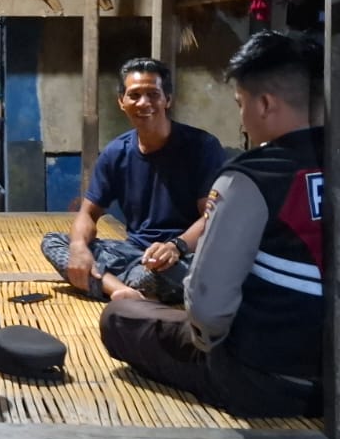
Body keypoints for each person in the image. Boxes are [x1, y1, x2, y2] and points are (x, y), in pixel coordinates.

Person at [100, 32, 340, 418]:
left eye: (240, 104)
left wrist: (212, 342)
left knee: (120, 318)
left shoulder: (250, 179)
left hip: (270, 382)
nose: (242, 119)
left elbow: (208, 309)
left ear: (265, 104)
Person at [41, 57, 226, 302]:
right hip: (133, 251)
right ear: (121, 102)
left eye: (153, 94)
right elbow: (87, 213)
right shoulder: (116, 153)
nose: (144, 103)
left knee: (170, 273)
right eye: (134, 95)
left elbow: (212, 217)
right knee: (55, 242)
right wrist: (78, 249)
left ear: (167, 99)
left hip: (183, 255)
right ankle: (121, 291)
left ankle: (113, 285)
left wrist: (175, 247)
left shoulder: (202, 146)